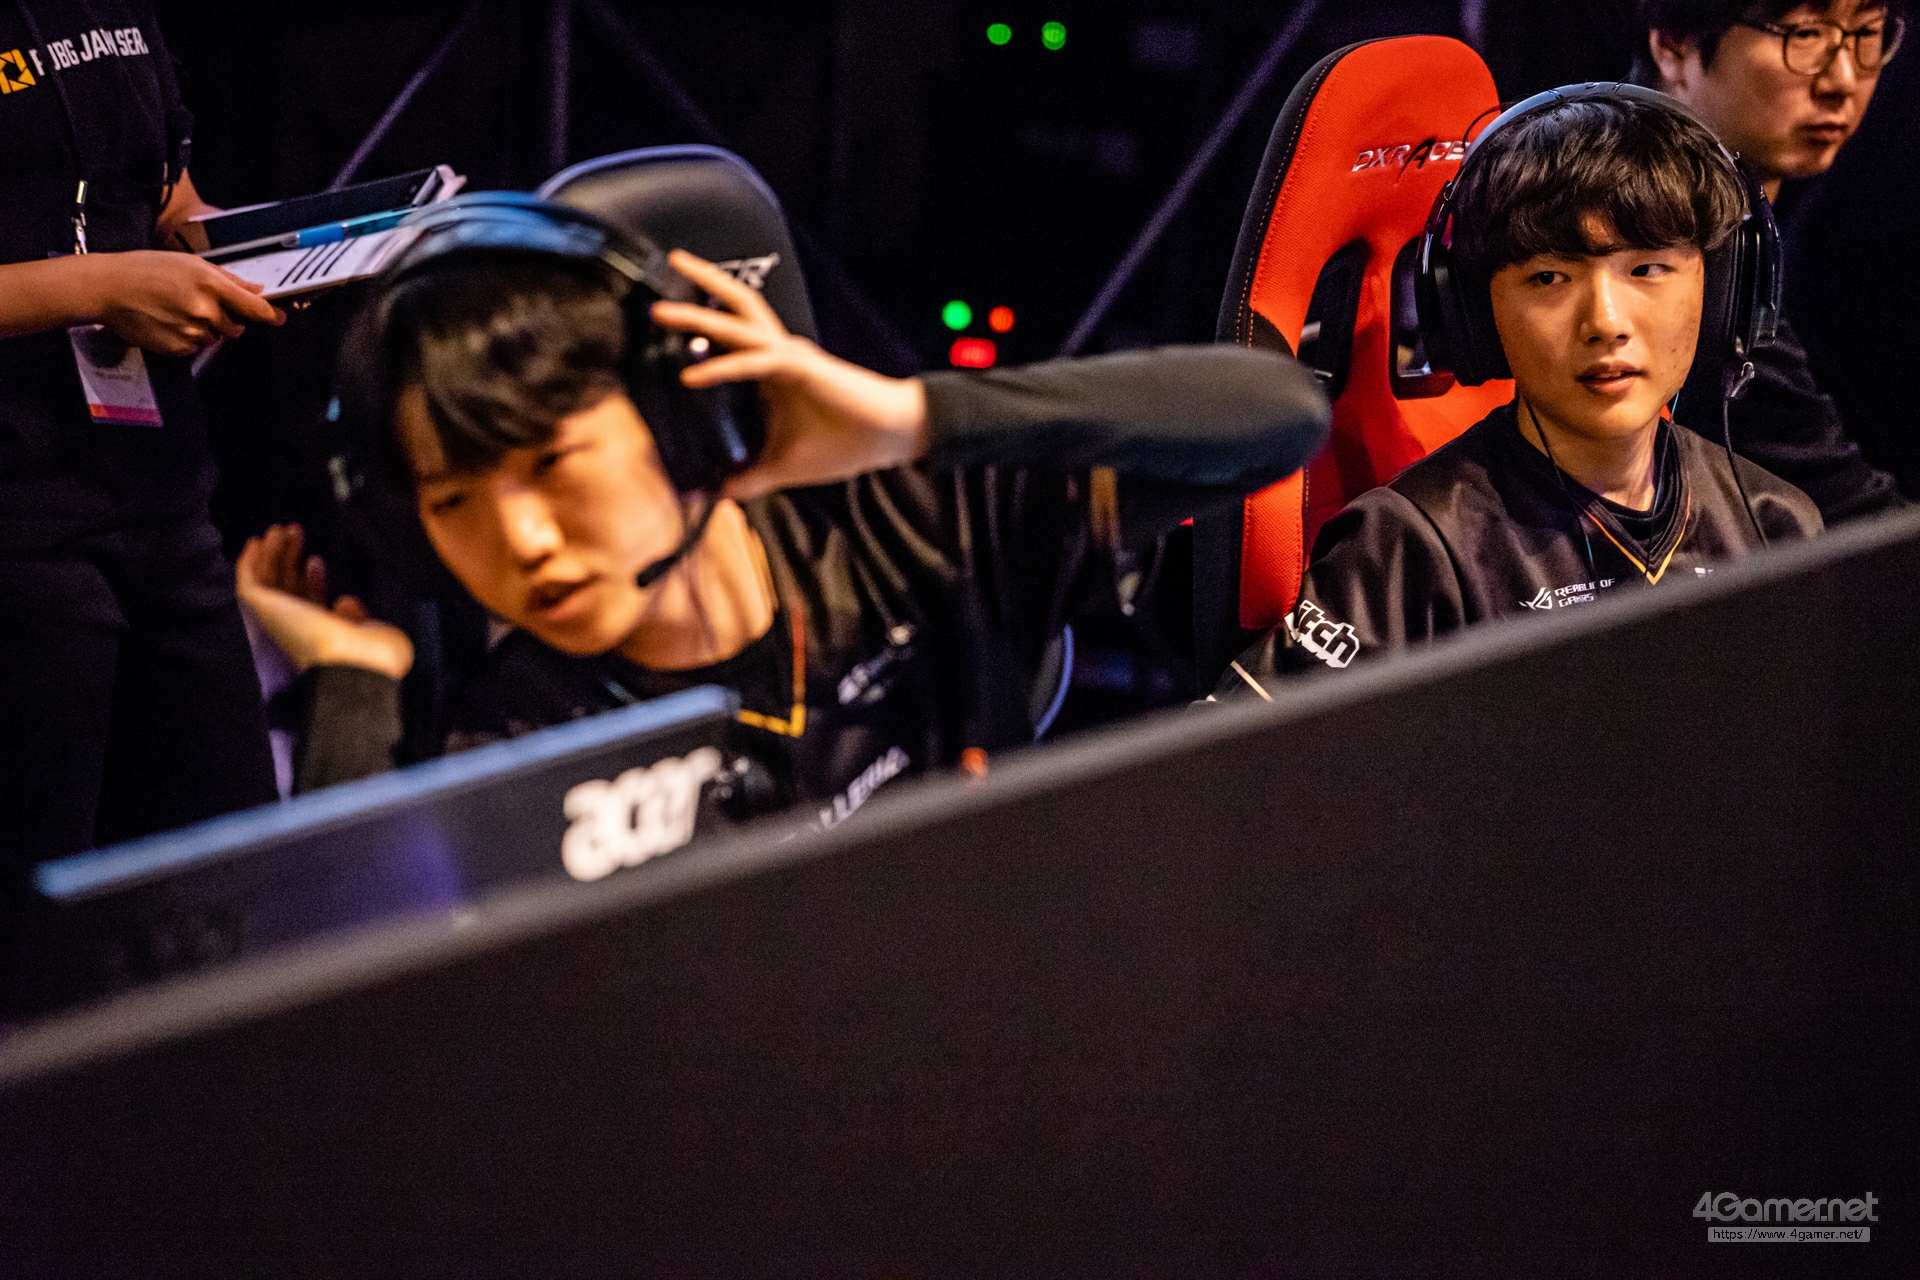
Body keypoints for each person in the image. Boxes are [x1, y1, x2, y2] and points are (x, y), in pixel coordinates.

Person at [235, 206, 1331, 826]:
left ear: (683, 417)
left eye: (552, 463)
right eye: (453, 502)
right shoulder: (513, 736)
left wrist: (910, 417)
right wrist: (357, 681)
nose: (520, 541)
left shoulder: (921, 518)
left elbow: (1277, 417)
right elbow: (351, 1005)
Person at [1215, 90, 1821, 694]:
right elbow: (1240, 748)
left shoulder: (1776, 525)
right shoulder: (1412, 545)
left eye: (1647, 270)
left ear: (1720, 292)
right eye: (1549, 278)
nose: (1606, 322)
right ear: (1477, 317)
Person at [0, 0, 285, 892]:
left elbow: (166, 200)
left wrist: (256, 253)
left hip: (159, 493)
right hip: (20, 530)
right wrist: (101, 288)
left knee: (234, 889)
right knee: (41, 924)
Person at [1633, 0, 1909, 522]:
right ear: (1673, 44)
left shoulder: (1755, 226)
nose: (1842, 80)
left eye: (1866, 34)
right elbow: (1860, 523)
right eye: (1803, 34)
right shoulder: (1677, 251)